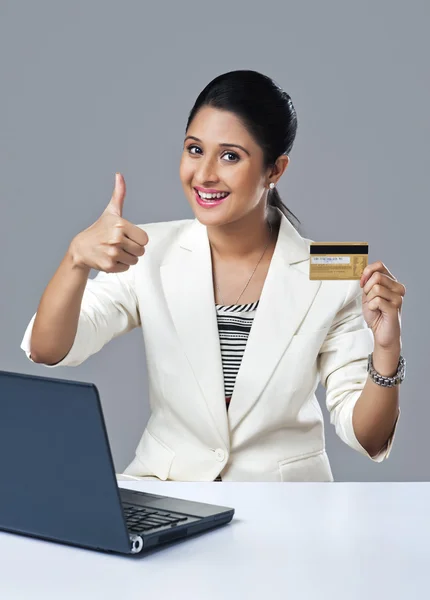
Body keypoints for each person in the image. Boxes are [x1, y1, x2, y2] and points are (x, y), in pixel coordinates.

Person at [20, 70, 406, 482]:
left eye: (230, 156)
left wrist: (387, 348)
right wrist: (76, 259)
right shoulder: (148, 248)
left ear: (275, 170)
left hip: (287, 510)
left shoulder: (335, 271)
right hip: (168, 495)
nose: (204, 174)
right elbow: (49, 349)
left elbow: (368, 436)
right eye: (194, 149)